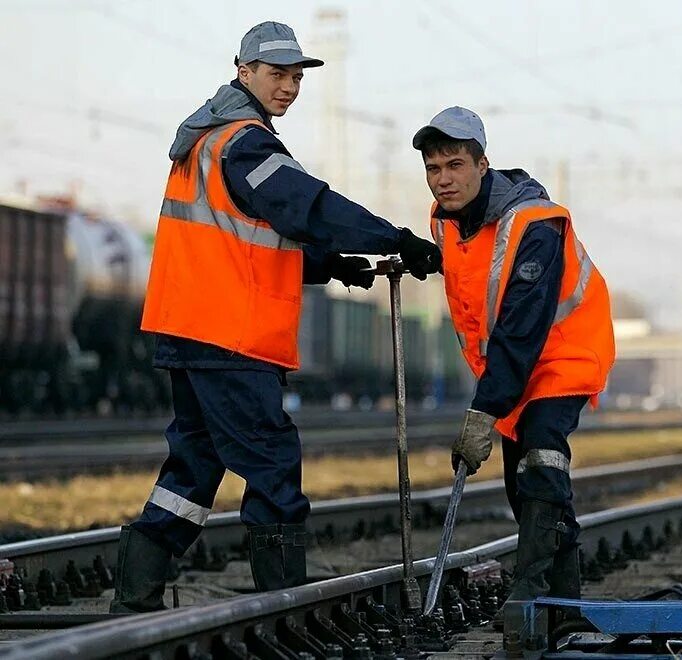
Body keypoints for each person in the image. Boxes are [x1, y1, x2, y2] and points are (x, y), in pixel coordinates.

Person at [110, 22, 441, 613]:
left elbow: (248, 240)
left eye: (295, 77)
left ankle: (134, 595)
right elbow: (305, 205)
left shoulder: (204, 142)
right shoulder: (246, 143)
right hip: (230, 336)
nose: (288, 87)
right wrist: (394, 239)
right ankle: (282, 609)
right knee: (272, 463)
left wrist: (332, 264)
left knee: (193, 466)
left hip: (191, 330)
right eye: (276, 74)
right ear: (244, 72)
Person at [412, 107, 615, 621]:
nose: (444, 179)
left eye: (455, 165)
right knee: (521, 491)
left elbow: (522, 324)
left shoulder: (535, 223)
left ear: (483, 165)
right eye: (434, 169)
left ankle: (528, 596)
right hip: (510, 368)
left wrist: (484, 410)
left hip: (564, 351)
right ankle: (566, 609)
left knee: (542, 457)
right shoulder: (443, 220)